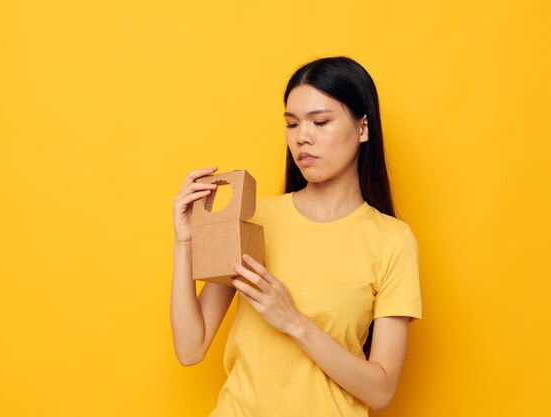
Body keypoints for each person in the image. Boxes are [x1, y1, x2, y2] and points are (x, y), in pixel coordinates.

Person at [171, 56, 422, 417]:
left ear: (363, 128)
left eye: (320, 122)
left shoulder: (392, 240)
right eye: (292, 124)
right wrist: (184, 243)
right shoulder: (256, 218)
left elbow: (380, 390)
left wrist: (293, 321)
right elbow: (190, 348)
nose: (303, 137)